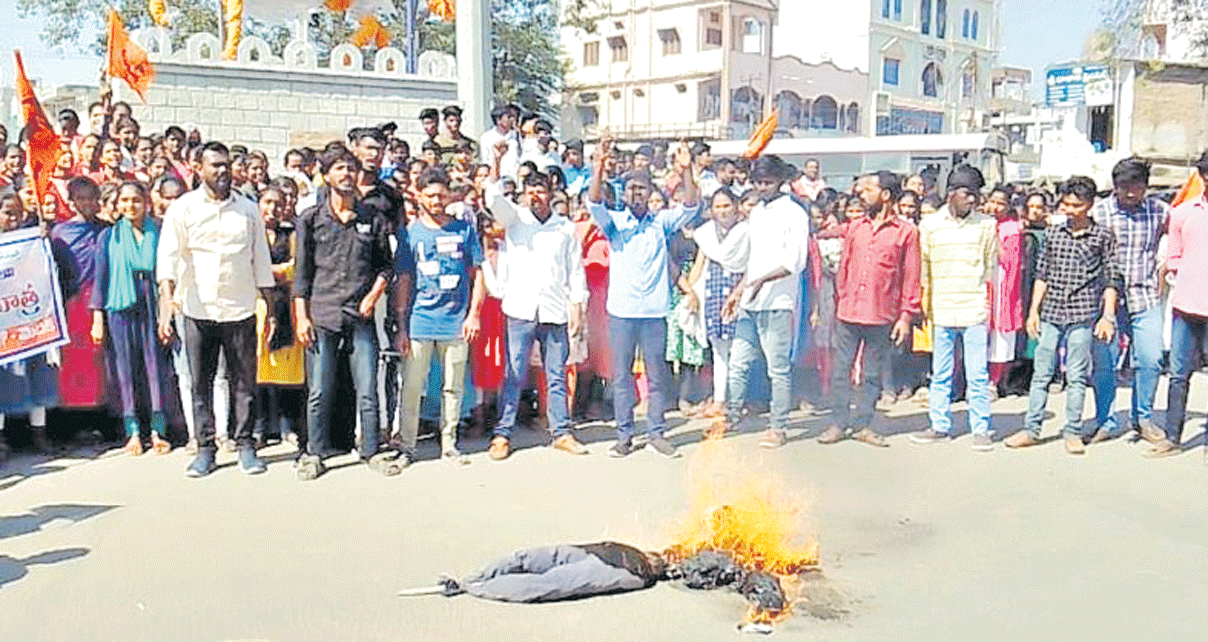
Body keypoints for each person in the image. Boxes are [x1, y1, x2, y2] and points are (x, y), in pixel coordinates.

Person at [157, 141, 275, 477]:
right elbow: (167, 260)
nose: (222, 171)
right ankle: (206, 448)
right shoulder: (183, 208)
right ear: (199, 169)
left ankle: (245, 445)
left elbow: (261, 261)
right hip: (197, 309)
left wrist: (271, 307)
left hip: (240, 309)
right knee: (200, 383)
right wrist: (167, 307)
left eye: (225, 165)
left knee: (244, 382)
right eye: (215, 166)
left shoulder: (249, 209)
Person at [586, 139, 700, 458]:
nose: (637, 194)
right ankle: (624, 435)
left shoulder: (660, 224)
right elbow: (594, 203)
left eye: (642, 189)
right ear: (623, 194)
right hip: (621, 314)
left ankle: (657, 433)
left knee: (657, 376)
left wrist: (687, 169)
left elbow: (691, 206)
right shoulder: (615, 224)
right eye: (631, 189)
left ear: (651, 195)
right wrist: (599, 166)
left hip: (654, 314)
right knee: (622, 378)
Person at [293, 147, 400, 480]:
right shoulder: (310, 219)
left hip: (360, 316)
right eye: (339, 168)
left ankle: (370, 451)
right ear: (326, 176)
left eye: (351, 169)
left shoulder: (373, 218)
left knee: (367, 390)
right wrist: (302, 316)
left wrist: (373, 296)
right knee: (319, 391)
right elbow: (301, 274)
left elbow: (386, 267)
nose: (347, 174)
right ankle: (314, 453)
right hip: (322, 315)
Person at [484, 143, 589, 460]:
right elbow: (492, 199)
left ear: (551, 191)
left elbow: (575, 272)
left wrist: (577, 308)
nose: (535, 196)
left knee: (556, 374)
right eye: (529, 190)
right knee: (514, 373)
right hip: (519, 310)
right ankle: (502, 434)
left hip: (555, 311)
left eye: (540, 190)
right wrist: (497, 161)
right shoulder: (515, 219)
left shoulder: (566, 228)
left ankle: (561, 432)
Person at [1003, 177, 1119, 455]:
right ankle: (1032, 429)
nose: (1069, 209)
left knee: (1077, 375)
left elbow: (1112, 278)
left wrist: (1108, 316)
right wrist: (1033, 312)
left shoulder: (1103, 236)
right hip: (1051, 311)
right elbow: (1041, 275)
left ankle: (1073, 431)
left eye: (1076, 205)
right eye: (1065, 204)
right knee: (1041, 373)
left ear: (1090, 205)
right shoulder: (1054, 234)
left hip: (1083, 313)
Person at [710, 156, 809, 449]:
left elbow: (794, 262)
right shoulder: (758, 213)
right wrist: (739, 290)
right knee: (738, 363)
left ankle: (778, 426)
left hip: (777, 301)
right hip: (750, 303)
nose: (762, 188)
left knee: (776, 369)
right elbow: (753, 260)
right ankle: (732, 417)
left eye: (767, 182)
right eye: (758, 183)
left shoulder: (794, 213)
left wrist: (760, 282)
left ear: (780, 181)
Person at [817, 171, 920, 448]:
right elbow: (844, 268)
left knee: (872, 374)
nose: (862, 193)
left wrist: (905, 317)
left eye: (869, 189)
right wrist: (842, 297)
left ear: (885, 195)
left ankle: (863, 424)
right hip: (848, 312)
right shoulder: (855, 228)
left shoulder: (906, 233)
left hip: (882, 313)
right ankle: (838, 422)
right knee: (841, 371)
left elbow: (911, 276)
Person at [396, 167, 484, 466]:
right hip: (420, 321)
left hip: (456, 321)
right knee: (411, 387)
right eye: (430, 195)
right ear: (419, 196)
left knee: (453, 386)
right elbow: (405, 279)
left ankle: (449, 443)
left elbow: (479, 272)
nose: (436, 201)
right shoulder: (411, 233)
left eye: (441, 195)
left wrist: (474, 314)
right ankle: (407, 445)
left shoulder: (464, 229)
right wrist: (402, 324)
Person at [910, 165, 998, 451]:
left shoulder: (986, 225)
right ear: (951, 194)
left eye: (976, 195)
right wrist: (925, 305)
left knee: (977, 373)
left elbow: (989, 267)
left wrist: (982, 300)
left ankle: (981, 429)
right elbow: (923, 268)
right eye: (967, 194)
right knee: (941, 372)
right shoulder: (930, 225)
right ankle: (939, 425)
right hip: (942, 309)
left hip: (973, 308)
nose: (972, 200)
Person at [1089, 158, 1170, 444]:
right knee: (1105, 363)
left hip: (1145, 295)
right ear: (1115, 186)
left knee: (1150, 358)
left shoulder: (1160, 211)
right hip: (1107, 301)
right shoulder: (1099, 213)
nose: (1132, 193)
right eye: (1125, 187)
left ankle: (1143, 418)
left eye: (1137, 186)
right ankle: (1105, 420)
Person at [91, 182, 173, 455]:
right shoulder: (109, 237)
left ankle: (158, 430)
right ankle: (133, 433)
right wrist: (98, 319)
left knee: (155, 368)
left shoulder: (158, 233)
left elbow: (167, 275)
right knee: (125, 372)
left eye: (136, 200)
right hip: (119, 308)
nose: (130, 206)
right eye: (124, 201)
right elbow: (100, 281)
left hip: (151, 303)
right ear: (117, 205)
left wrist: (166, 315)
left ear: (146, 202)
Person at [1151, 153, 1208, 462]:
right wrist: (1179, 276)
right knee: (1178, 374)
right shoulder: (1183, 212)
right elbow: (1173, 256)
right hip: (1186, 306)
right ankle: (1173, 435)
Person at [686, 188, 748, 419]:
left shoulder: (746, 232)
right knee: (719, 351)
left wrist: (740, 292)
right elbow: (699, 264)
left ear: (736, 207)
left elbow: (752, 264)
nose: (722, 211)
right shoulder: (705, 234)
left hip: (739, 292)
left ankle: (740, 400)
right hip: (713, 292)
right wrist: (689, 293)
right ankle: (720, 400)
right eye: (717, 207)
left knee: (740, 351)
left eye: (726, 205)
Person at [252, 187, 305, 449]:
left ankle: (288, 427)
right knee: (260, 370)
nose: (272, 209)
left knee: (287, 371)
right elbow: (246, 266)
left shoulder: (292, 234)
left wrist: (268, 271)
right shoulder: (250, 233)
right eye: (267, 203)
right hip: (258, 306)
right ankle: (260, 429)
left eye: (278, 204)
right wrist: (273, 272)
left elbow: (295, 268)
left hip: (286, 307)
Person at [52, 178, 110, 413]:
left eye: (91, 198)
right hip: (74, 302)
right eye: (81, 198)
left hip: (104, 301)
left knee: (103, 364)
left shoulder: (107, 229)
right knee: (76, 363)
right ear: (71, 201)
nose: (87, 203)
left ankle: (104, 417)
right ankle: (76, 419)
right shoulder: (60, 233)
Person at [985, 186, 1024, 398]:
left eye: (1000, 203)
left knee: (999, 335)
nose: (995, 207)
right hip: (981, 283)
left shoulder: (1012, 229)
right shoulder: (979, 223)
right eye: (992, 201)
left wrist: (993, 235)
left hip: (1001, 283)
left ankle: (993, 382)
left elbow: (1009, 260)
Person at [480, 105, 519, 178]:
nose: (513, 120)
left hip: (513, 178)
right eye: (509, 117)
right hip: (495, 177)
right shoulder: (486, 137)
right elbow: (485, 160)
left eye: (514, 117)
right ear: (499, 119)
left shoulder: (517, 136)